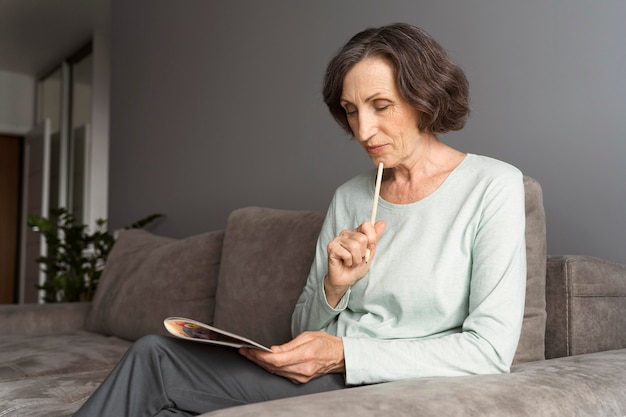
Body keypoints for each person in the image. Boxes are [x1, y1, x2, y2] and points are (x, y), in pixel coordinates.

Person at [75, 22, 526, 416]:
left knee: (154, 367)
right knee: (157, 356)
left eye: (380, 105)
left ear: (424, 97)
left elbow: (488, 351)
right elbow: (304, 333)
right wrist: (334, 287)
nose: (363, 131)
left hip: (388, 386)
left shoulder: (492, 186)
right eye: (351, 111)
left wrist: (344, 355)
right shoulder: (351, 196)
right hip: (323, 374)